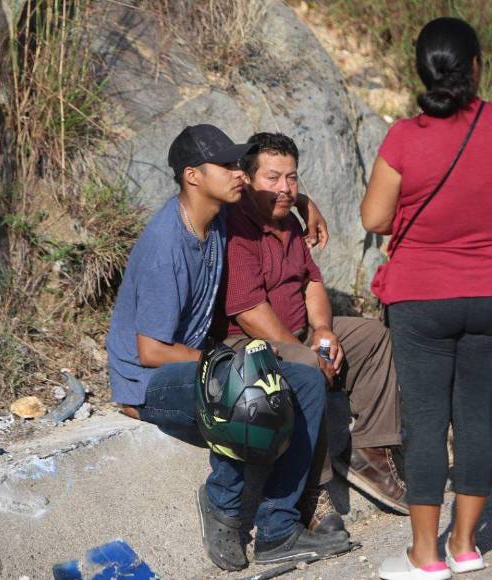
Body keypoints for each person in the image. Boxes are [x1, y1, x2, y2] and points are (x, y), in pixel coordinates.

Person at [362, 18, 492, 580]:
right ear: (475, 66)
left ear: (422, 70)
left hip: (421, 294)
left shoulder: (405, 136)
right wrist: (490, 212)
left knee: (426, 421)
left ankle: (425, 556)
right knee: (474, 414)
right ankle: (465, 546)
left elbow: (375, 217)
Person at [105, 124, 350, 571]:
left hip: (193, 366)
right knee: (245, 387)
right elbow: (151, 351)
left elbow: (271, 197)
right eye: (227, 166)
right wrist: (230, 363)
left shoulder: (217, 216)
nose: (240, 174)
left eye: (240, 165)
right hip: (149, 384)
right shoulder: (166, 245)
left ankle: (278, 530)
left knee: (306, 380)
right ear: (193, 176)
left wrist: (305, 203)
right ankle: (222, 506)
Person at [215, 132, 408, 536]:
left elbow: (312, 282)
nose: (285, 188)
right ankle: (311, 490)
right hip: (248, 345)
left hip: (298, 330)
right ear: (247, 179)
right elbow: (249, 312)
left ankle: (371, 452)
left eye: (292, 177)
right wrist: (305, 352)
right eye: (273, 178)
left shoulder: (287, 217)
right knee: (305, 368)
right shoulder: (236, 227)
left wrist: (322, 329)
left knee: (374, 336)